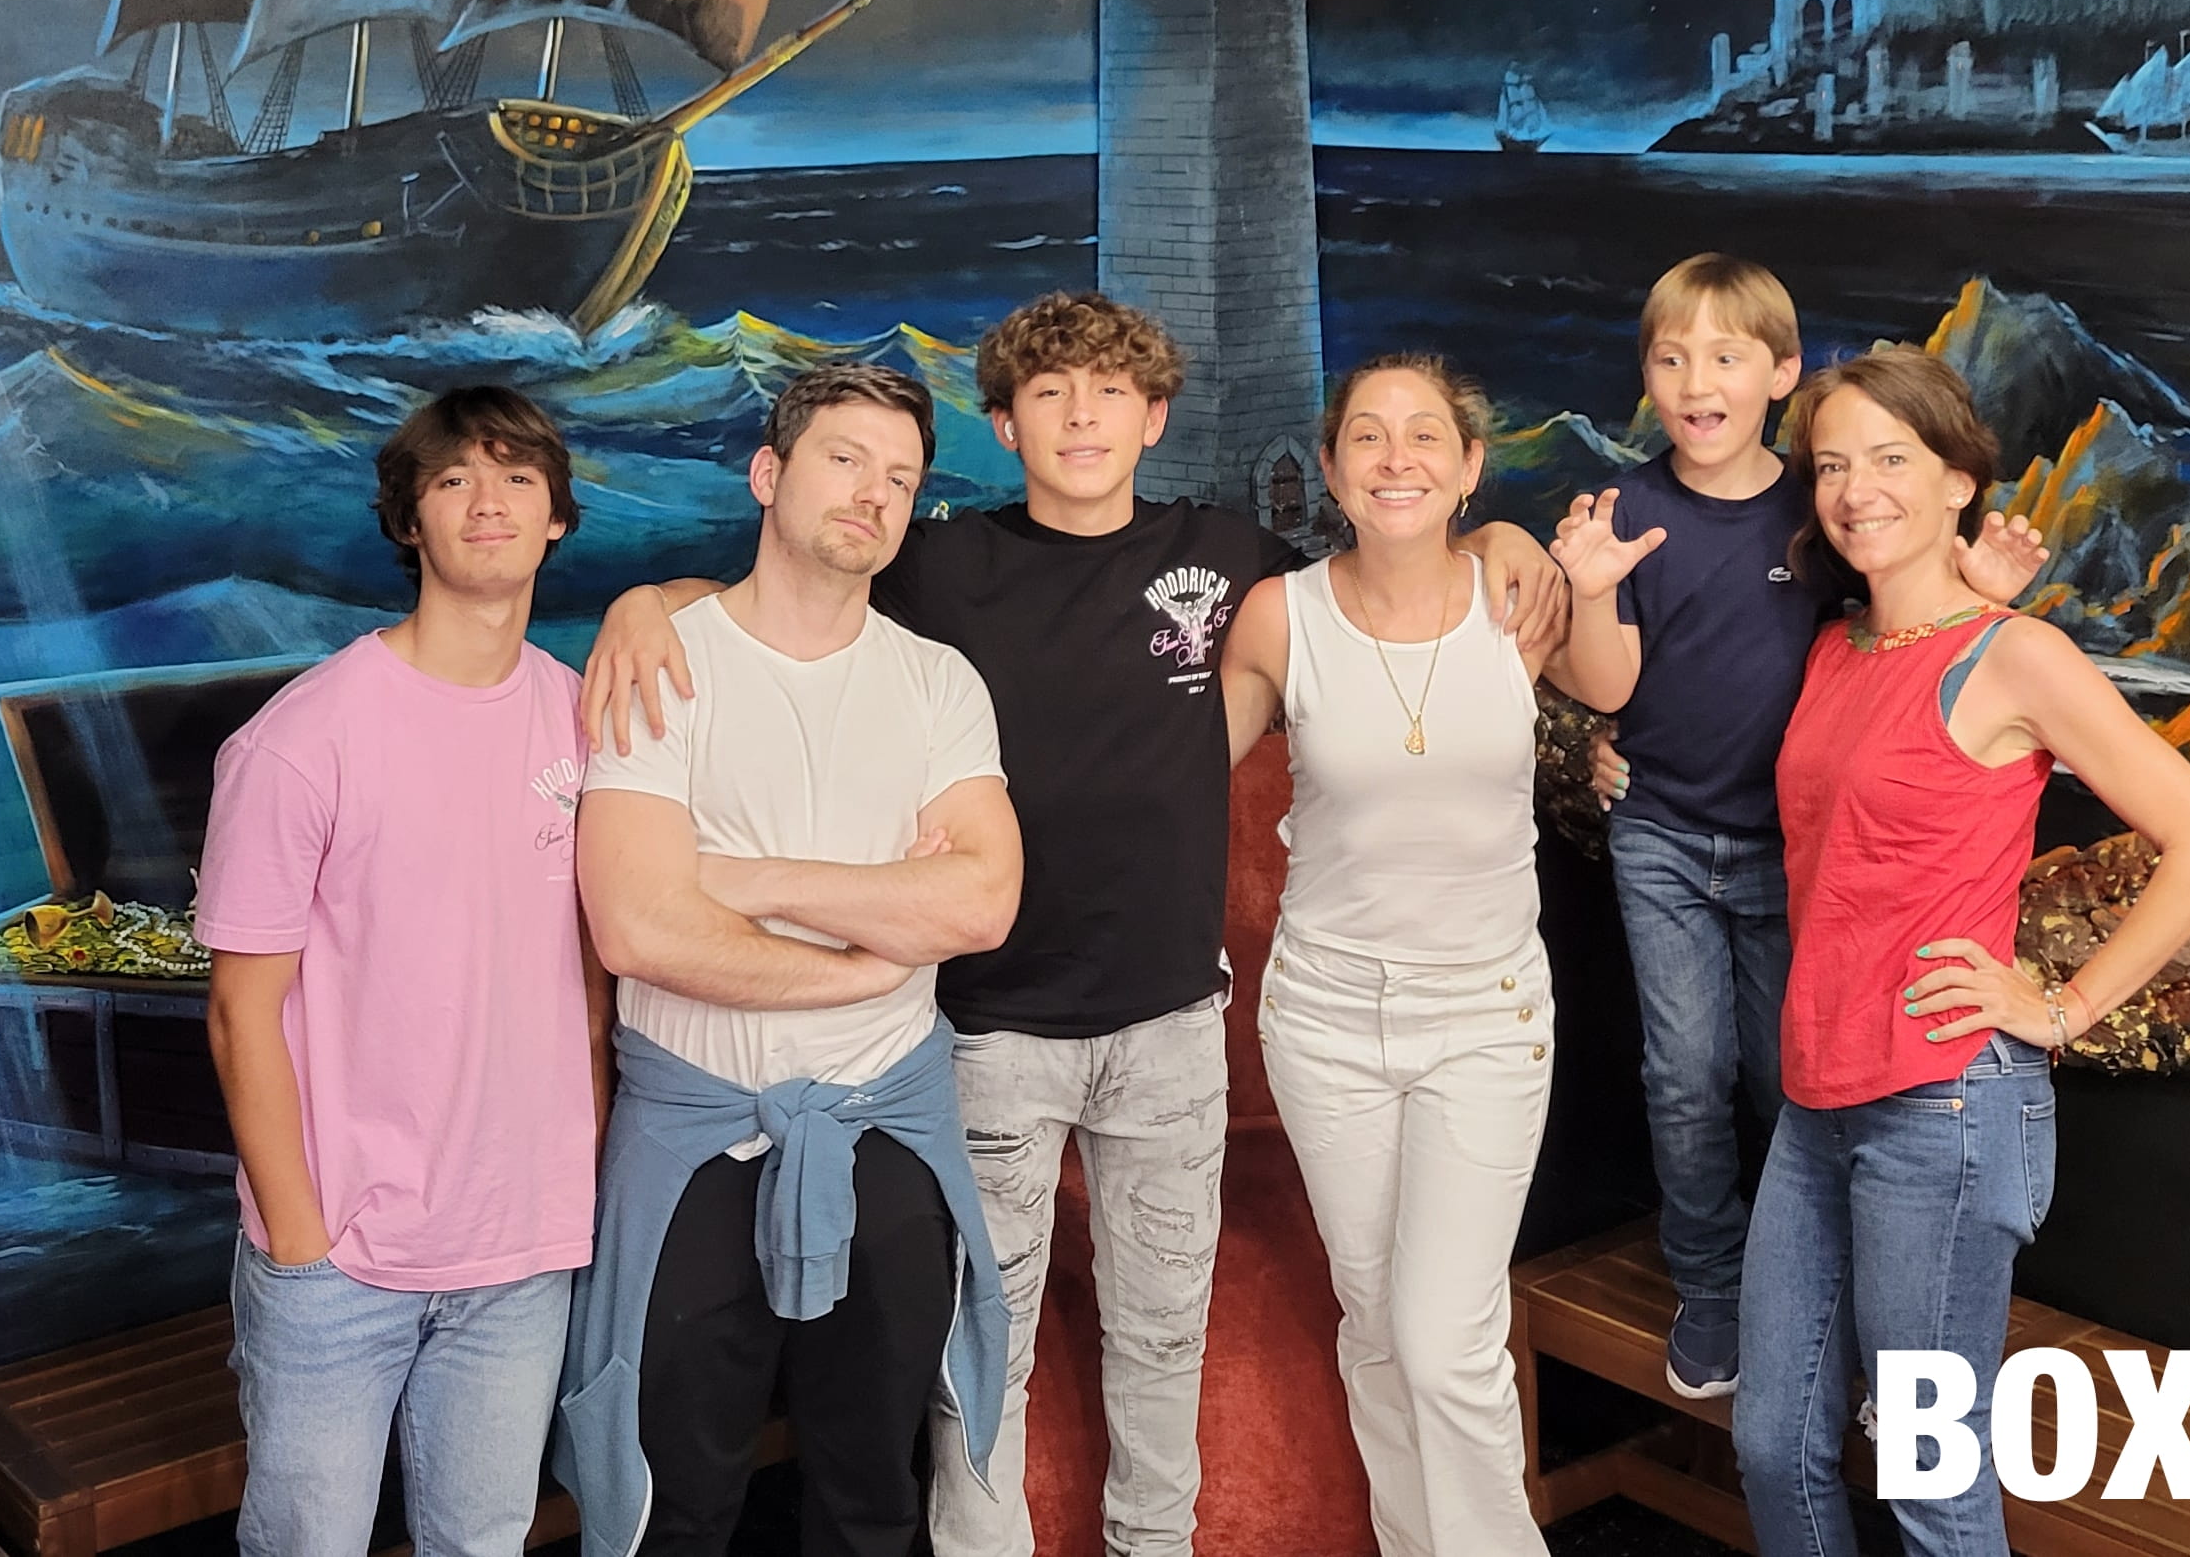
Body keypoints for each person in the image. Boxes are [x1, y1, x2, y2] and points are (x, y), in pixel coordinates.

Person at [582, 294, 1568, 1557]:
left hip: (1170, 1023)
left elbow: (1397, 550)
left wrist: (1502, 537)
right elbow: (785, 583)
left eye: (1111, 392)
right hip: (989, 1034)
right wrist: (644, 601)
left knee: (1163, 1340)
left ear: (1155, 419)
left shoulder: (1231, 555)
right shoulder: (940, 566)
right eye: (1050, 393)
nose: (1083, 416)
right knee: (980, 1354)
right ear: (1005, 426)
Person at [1729, 347, 2190, 1557]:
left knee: (1929, 1472)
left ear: (1960, 479)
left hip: (1945, 1104)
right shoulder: (1835, 648)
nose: (1856, 490)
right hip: (1817, 1095)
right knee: (1772, 1443)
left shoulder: (2016, 655)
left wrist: (2065, 1006)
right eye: (1831, 467)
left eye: (1890, 459)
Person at [1546, 256, 2043, 1400]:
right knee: (1684, 1076)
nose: (1696, 382)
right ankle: (1713, 1285)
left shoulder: (1819, 508)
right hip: (1663, 837)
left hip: (1793, 853)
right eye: (1671, 359)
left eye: (1725, 357)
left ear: (1781, 373)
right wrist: (1590, 590)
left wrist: (1984, 593)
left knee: (1794, 1082)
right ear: (1645, 376)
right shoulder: (1628, 512)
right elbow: (1612, 687)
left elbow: (1901, 643)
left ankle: (1838, 1300)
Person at [557, 363, 1025, 1557]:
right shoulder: (662, 664)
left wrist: (744, 882)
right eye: (845, 459)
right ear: (769, 474)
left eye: (901, 478)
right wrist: (869, 957)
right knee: (673, 1504)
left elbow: (981, 901)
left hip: (885, 1133)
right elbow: (640, 929)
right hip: (695, 1142)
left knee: (873, 1496)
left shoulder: (938, 684)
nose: (873, 492)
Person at [199, 385, 605, 1557]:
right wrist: (298, 1239)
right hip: (341, 1259)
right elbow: (239, 1015)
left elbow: (593, 982)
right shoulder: (300, 740)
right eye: (453, 479)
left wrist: (573, 1176)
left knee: (482, 1542)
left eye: (519, 478)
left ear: (557, 518)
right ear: (408, 519)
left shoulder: (585, 723)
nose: (488, 502)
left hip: (522, 1251)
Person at [1217, 356, 1553, 1557]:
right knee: (1373, 1325)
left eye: (1425, 436)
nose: (1395, 457)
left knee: (1442, 1340)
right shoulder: (1281, 614)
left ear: (1469, 466)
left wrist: (1526, 544)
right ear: (1330, 466)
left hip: (1486, 1017)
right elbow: (1176, 773)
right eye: (1367, 435)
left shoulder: (1519, 599)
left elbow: (1627, 686)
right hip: (1325, 1019)